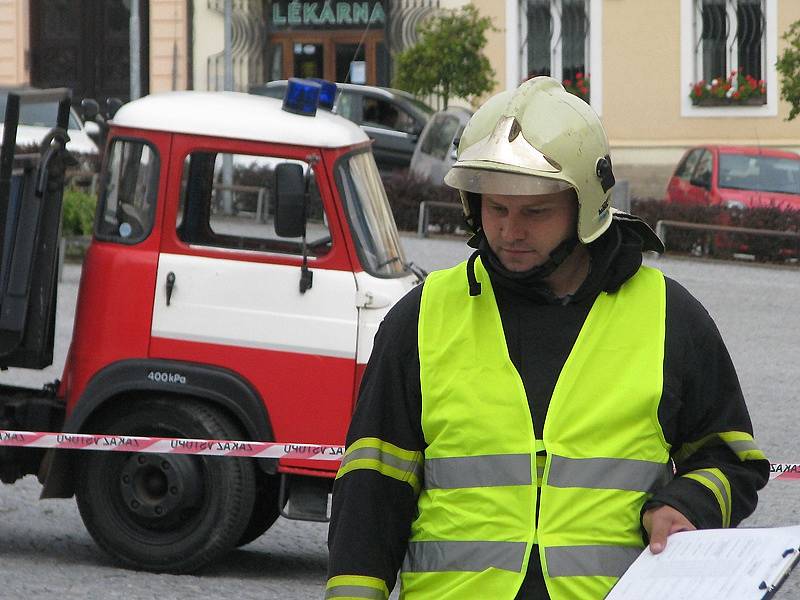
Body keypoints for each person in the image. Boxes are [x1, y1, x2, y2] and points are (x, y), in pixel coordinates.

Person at [326, 76, 769, 600]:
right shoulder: (420, 320)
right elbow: (370, 494)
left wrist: (689, 504)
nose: (511, 231)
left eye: (534, 211)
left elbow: (731, 459)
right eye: (495, 209)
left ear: (585, 206)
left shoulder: (671, 317)